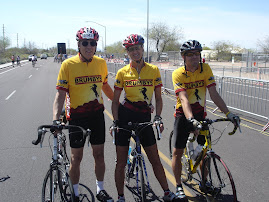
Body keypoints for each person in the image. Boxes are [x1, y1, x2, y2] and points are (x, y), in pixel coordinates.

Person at [111, 34, 180, 202]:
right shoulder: (122, 72)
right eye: (131, 49)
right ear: (127, 52)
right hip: (125, 116)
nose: (135, 52)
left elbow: (158, 98)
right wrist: (116, 121)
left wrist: (157, 117)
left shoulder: (153, 70)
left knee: (155, 159)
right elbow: (115, 101)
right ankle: (120, 196)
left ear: (142, 49)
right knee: (120, 162)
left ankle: (166, 192)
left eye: (137, 48)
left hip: (144, 117)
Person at [171, 40, 240, 199]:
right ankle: (178, 186)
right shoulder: (178, 73)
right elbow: (184, 99)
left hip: (201, 115)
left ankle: (204, 181)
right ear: (184, 57)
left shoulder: (205, 69)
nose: (194, 57)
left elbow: (214, 94)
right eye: (190, 55)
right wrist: (191, 119)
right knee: (177, 152)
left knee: (205, 150)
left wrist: (229, 114)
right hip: (183, 115)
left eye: (197, 54)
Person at [52, 27, 114, 202]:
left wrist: (118, 101)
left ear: (96, 45)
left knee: (99, 154)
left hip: (96, 116)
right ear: (78, 44)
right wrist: (56, 119)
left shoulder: (101, 63)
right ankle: (76, 193)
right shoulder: (68, 65)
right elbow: (60, 94)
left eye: (92, 43)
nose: (89, 46)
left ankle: (100, 189)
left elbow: (105, 86)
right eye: (85, 43)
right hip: (77, 117)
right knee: (76, 157)